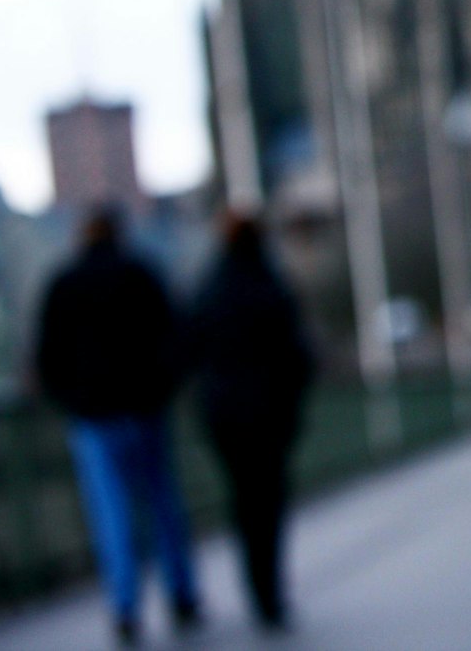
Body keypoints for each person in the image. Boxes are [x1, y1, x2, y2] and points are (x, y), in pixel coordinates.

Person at [35, 208, 200, 646]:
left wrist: (73, 400)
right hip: (145, 410)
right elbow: (177, 337)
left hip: (94, 417)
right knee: (163, 504)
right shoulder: (140, 274)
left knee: (112, 513)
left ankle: (126, 608)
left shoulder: (64, 282)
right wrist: (160, 390)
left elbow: (47, 357)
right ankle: (182, 595)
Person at [189, 215, 316, 631]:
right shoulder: (272, 286)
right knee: (269, 502)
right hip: (269, 415)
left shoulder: (209, 287)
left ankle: (256, 588)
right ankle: (268, 593)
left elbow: (187, 347)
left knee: (243, 500)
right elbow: (299, 355)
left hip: (225, 417)